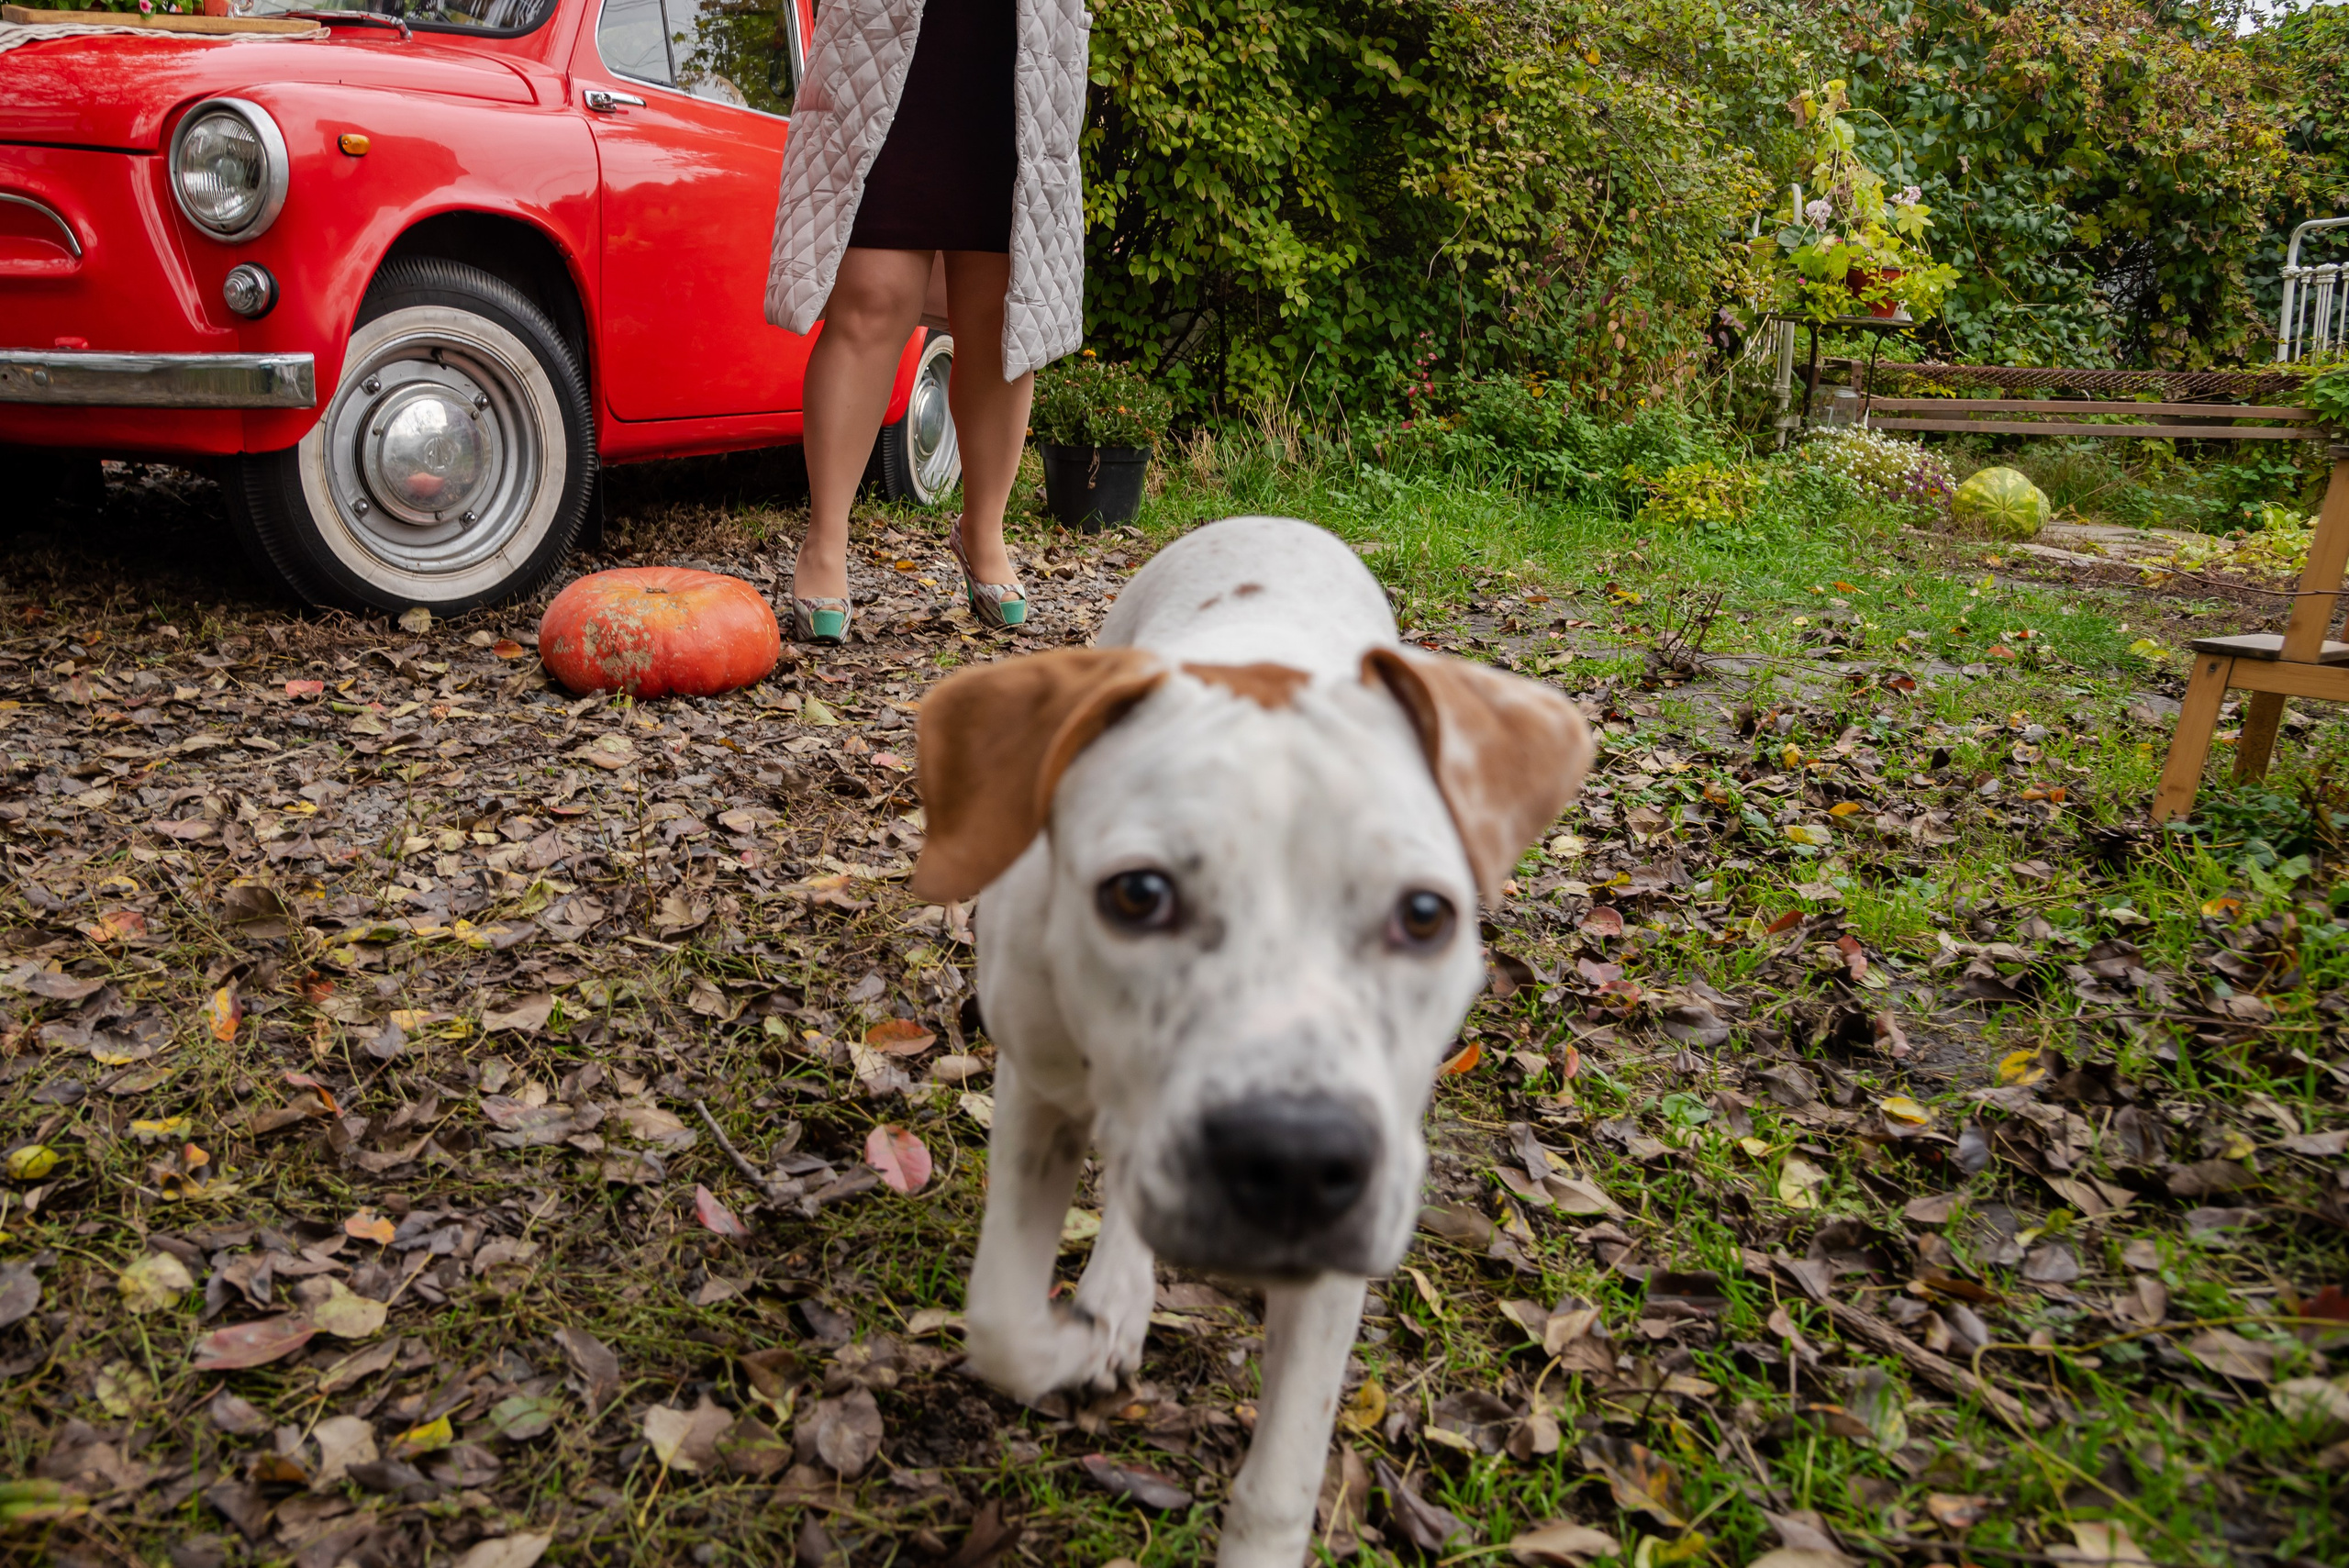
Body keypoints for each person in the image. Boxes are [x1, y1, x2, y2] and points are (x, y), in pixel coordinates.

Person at [764, 0, 1091, 643]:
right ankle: (825, 541)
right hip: (885, 37)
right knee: (871, 291)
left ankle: (983, 531)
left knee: (1001, 307)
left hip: (1016, 47)